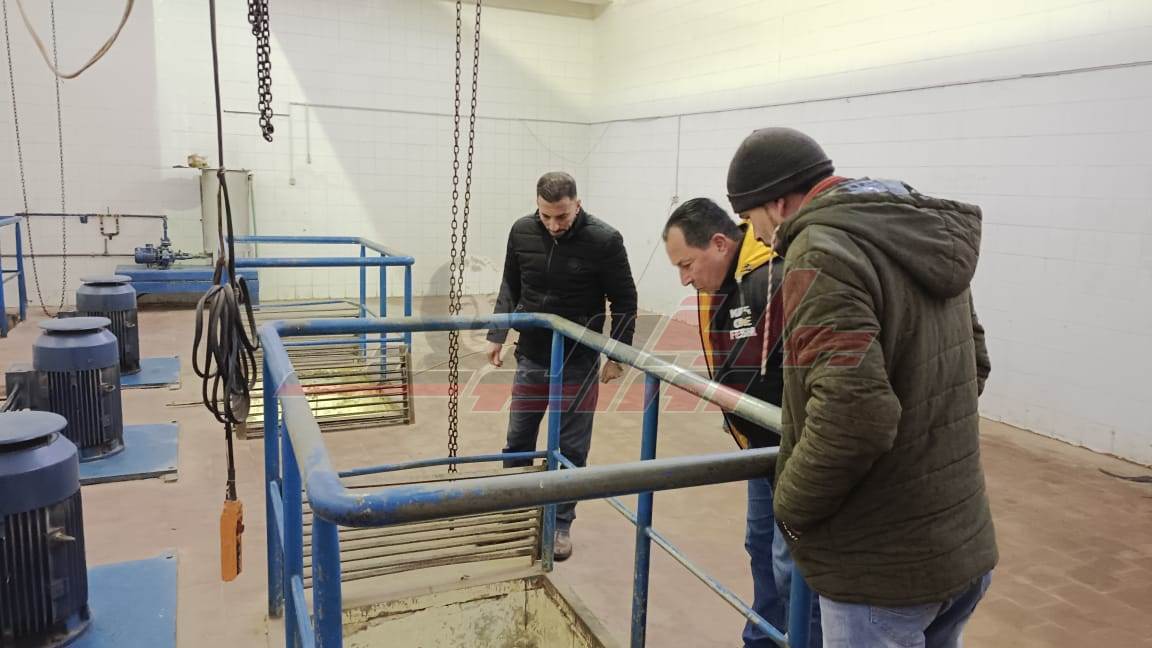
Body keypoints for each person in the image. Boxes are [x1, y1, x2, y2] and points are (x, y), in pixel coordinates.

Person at [726, 127, 997, 648]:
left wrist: (790, 508)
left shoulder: (817, 252)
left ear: (777, 204)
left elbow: (854, 417)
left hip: (882, 570)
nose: (755, 236)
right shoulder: (919, 234)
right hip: (959, 542)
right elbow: (975, 365)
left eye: (750, 217)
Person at [662, 198, 820, 648]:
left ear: (719, 243)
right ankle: (763, 637)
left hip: (792, 451)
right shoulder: (726, 283)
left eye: (687, 264)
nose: (684, 278)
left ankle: (802, 639)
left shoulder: (775, 277)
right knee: (760, 544)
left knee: (792, 564)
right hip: (757, 444)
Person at [487, 171, 638, 561]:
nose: (554, 225)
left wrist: (617, 356)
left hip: (578, 360)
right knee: (518, 439)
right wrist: (497, 333)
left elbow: (624, 299)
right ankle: (516, 512)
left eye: (563, 217)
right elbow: (510, 285)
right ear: (537, 206)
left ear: (578, 205)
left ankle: (559, 523)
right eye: (546, 216)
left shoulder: (605, 240)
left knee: (570, 447)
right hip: (532, 354)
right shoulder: (522, 231)